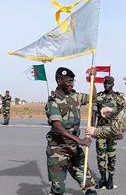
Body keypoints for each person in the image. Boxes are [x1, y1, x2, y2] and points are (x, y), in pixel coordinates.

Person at [45, 67, 97, 195]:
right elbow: (58, 126)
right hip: (58, 150)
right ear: (59, 81)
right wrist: (80, 140)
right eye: (69, 81)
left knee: (88, 184)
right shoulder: (53, 101)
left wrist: (92, 80)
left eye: (73, 81)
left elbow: (93, 97)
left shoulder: (75, 96)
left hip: (74, 148)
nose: (71, 84)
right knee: (58, 189)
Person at [92, 76, 126, 189]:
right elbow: (93, 112)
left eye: (109, 84)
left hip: (112, 129)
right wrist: (92, 128)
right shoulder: (99, 97)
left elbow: (124, 110)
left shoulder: (118, 97)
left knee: (111, 154)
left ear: (113, 84)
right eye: (105, 83)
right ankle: (103, 178)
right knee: (101, 154)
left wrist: (112, 111)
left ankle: (110, 178)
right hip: (101, 129)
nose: (106, 85)